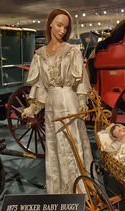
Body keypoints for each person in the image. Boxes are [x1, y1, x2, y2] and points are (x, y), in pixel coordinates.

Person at [22, 8, 93, 194]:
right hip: (52, 104)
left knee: (72, 143)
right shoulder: (40, 55)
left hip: (69, 100)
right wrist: (34, 107)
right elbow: (40, 87)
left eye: (65, 27)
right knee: (54, 146)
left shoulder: (72, 52)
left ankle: (78, 189)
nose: (62, 30)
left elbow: (81, 81)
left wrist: (82, 100)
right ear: (51, 23)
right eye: (59, 25)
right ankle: (60, 190)